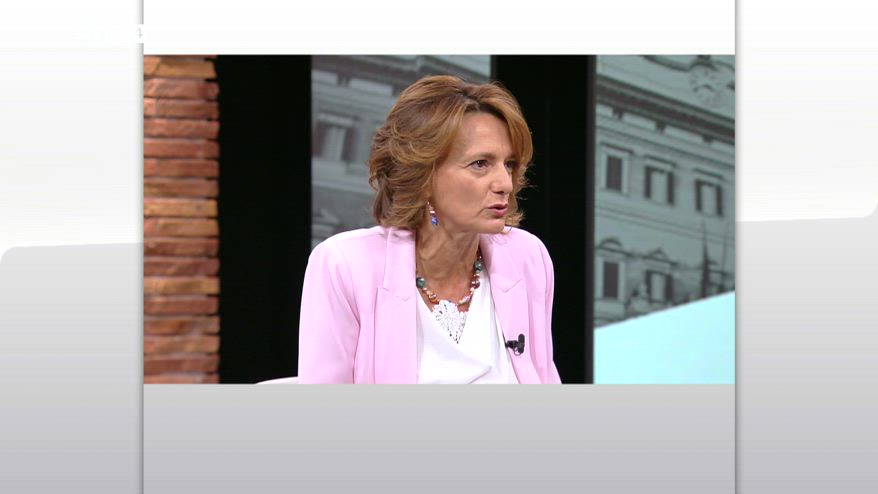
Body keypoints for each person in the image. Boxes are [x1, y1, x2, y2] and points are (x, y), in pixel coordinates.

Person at [298, 75, 561, 384]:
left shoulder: (528, 257)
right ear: (423, 176)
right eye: (480, 164)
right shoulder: (345, 265)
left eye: (509, 164)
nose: (505, 184)